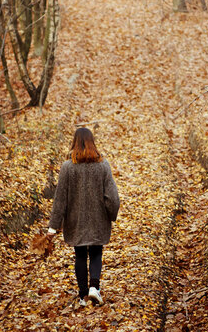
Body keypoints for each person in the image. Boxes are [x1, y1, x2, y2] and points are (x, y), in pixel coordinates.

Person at [47, 127, 120, 306]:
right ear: (92, 142)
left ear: (74, 143)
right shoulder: (103, 165)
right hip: (98, 219)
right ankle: (94, 287)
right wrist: (111, 214)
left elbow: (60, 199)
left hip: (75, 220)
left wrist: (52, 226)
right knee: (96, 251)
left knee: (80, 254)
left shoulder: (67, 167)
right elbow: (113, 197)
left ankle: (82, 296)